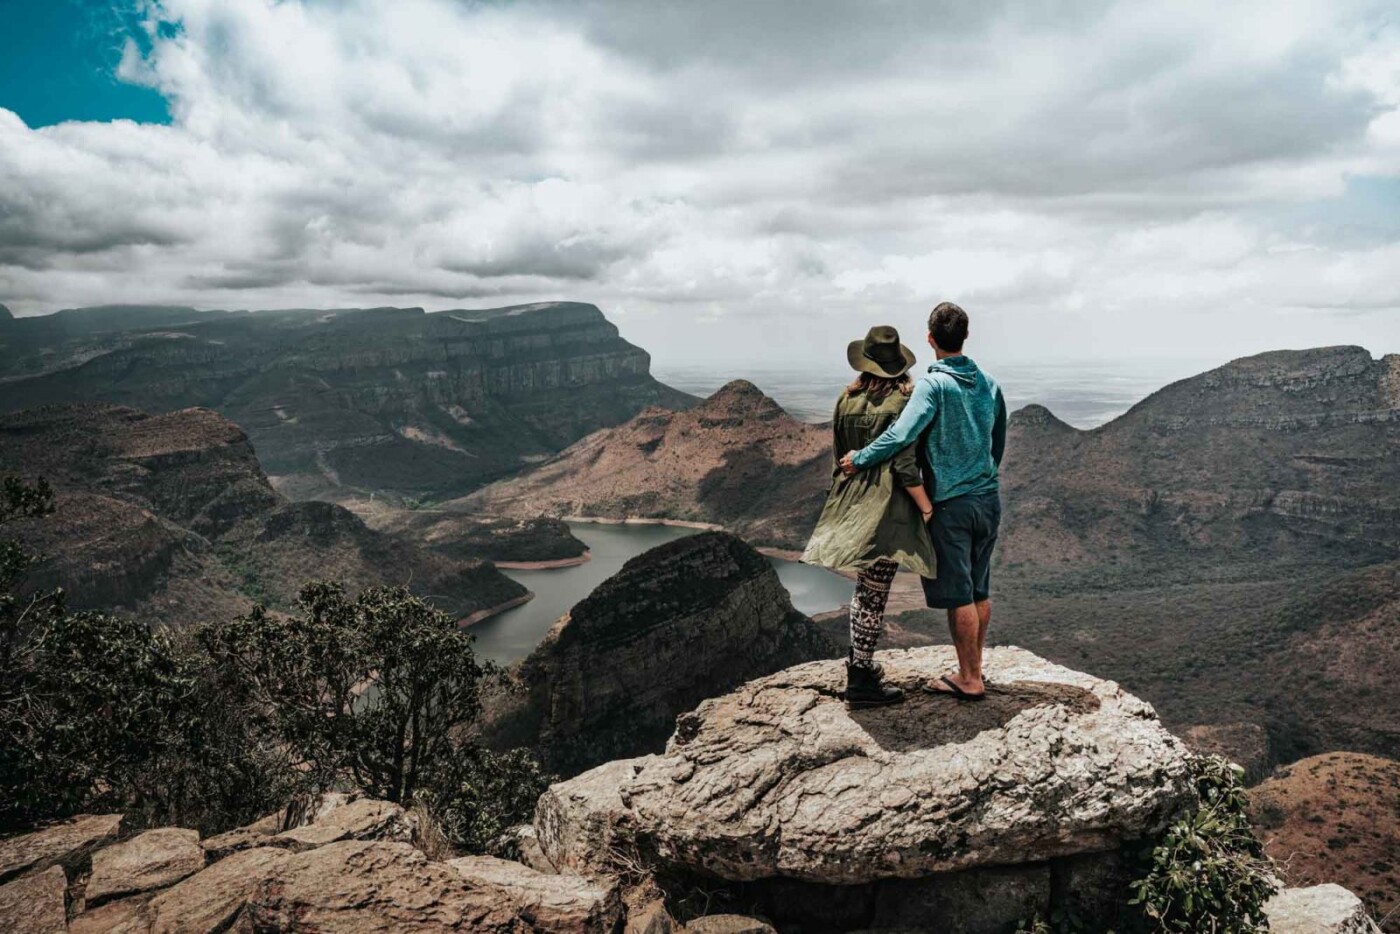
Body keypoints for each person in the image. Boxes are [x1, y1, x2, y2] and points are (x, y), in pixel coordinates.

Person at [840, 302, 1006, 701]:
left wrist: (858, 458)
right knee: (980, 588)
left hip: (952, 504)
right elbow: (996, 441)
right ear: (964, 337)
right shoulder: (990, 383)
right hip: (988, 499)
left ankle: (969, 679)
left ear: (930, 338)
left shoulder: (934, 386)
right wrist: (983, 474)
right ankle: (973, 670)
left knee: (961, 595)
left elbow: (900, 437)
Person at [802, 325, 937, 709]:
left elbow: (839, 458)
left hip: (851, 502)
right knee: (874, 590)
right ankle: (860, 679)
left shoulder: (846, 400)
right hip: (887, 509)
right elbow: (907, 466)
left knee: (865, 586)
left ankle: (861, 669)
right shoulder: (903, 404)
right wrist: (926, 509)